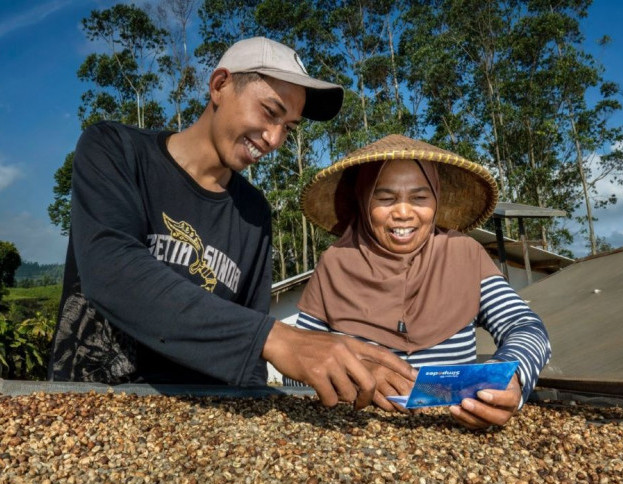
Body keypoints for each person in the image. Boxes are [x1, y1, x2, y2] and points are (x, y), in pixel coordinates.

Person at [49, 37, 415, 409]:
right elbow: (111, 270)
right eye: (270, 112)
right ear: (219, 85)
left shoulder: (253, 214)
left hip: (195, 420)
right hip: (90, 405)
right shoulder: (115, 150)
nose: (274, 139)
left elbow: (248, 343)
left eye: (288, 127)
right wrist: (277, 339)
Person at [285, 134, 552, 429]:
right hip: (353, 432)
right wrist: (353, 372)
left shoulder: (464, 254)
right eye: (385, 198)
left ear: (435, 201)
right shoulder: (335, 263)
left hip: (455, 430)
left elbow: (524, 326)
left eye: (419, 198)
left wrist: (510, 376)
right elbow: (296, 366)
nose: (403, 212)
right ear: (363, 201)